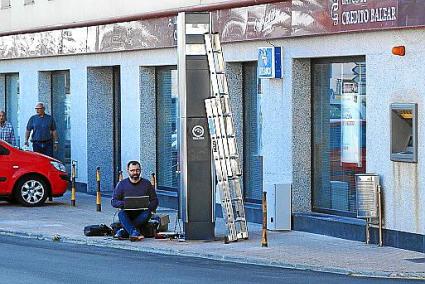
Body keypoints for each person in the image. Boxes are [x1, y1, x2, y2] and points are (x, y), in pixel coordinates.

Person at [111, 160, 158, 241]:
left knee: (147, 213)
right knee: (121, 213)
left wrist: (149, 207)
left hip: (142, 213)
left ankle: (124, 231)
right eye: (132, 170)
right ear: (128, 171)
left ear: (140, 170)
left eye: (137, 170)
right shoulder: (121, 184)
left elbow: (155, 200)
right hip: (127, 213)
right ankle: (134, 232)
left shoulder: (147, 184)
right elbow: (113, 201)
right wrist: (123, 204)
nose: (135, 172)